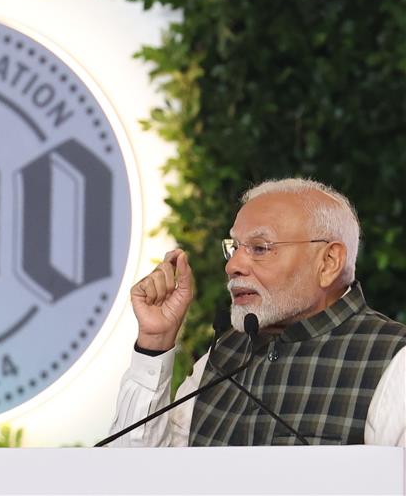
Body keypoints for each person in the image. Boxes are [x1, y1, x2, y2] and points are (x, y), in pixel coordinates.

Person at [110, 178, 406, 446]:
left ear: (329, 262)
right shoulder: (220, 359)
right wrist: (154, 341)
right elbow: (137, 479)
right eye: (235, 247)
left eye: (260, 248)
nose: (232, 266)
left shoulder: (394, 363)